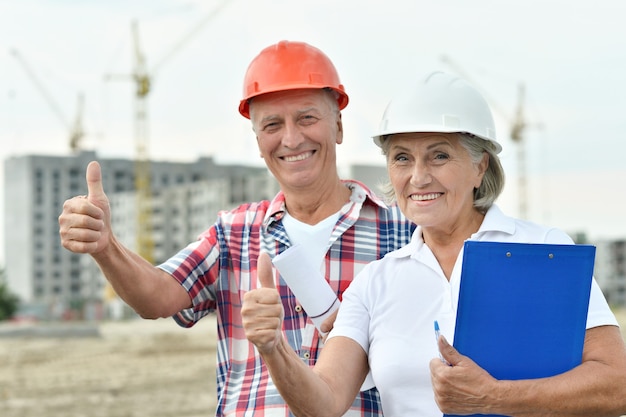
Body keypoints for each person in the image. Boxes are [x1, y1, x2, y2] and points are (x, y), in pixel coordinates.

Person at [58, 40, 415, 416]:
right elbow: (156, 298)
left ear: (339, 125)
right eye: (272, 125)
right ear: (258, 141)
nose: (291, 138)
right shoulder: (234, 233)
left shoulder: (402, 231)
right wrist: (105, 246)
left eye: (307, 118)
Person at [242, 71, 626, 416]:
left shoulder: (542, 249)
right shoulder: (375, 282)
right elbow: (323, 403)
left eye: (439, 155)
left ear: (481, 166)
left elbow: (616, 386)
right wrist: (274, 348)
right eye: (402, 158)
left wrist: (493, 397)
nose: (419, 177)